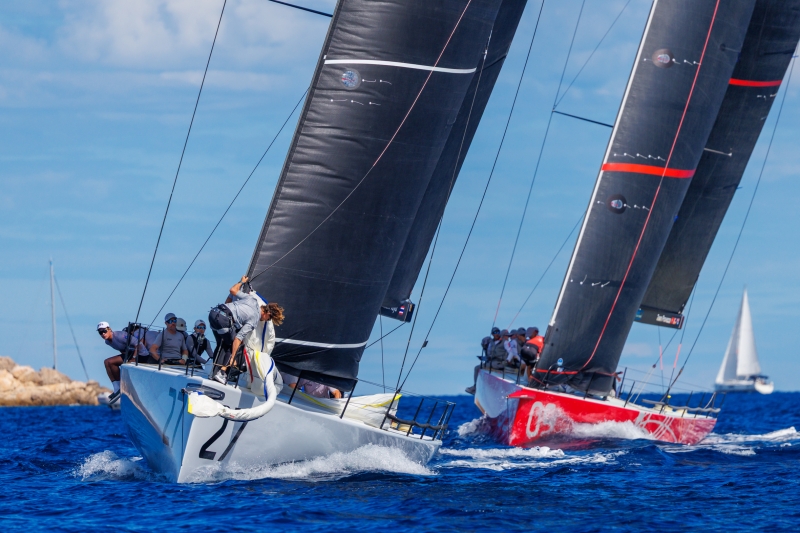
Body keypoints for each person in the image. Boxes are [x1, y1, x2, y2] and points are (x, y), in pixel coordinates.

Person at [208, 276, 266, 384]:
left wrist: (241, 282)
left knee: (221, 344)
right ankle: (221, 373)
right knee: (232, 345)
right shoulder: (253, 313)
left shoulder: (247, 297)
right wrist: (233, 358)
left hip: (214, 313)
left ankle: (214, 372)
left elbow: (229, 298)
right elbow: (238, 339)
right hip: (225, 319)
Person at [99, 321, 147, 403]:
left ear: (109, 329)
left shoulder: (120, 335)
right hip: (130, 355)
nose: (103, 334)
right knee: (107, 362)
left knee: (110, 362)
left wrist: (134, 358)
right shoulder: (107, 342)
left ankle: (120, 386)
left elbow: (138, 344)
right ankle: (116, 388)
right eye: (100, 332)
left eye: (104, 331)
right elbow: (122, 350)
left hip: (142, 355)